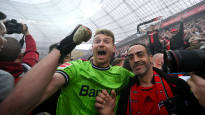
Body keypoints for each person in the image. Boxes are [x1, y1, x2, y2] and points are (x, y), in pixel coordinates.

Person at [0, 25, 134, 115]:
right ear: (92, 47)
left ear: (113, 49)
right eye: (97, 41)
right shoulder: (74, 68)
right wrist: (64, 46)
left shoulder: (123, 75)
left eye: (106, 41)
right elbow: (44, 89)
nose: (101, 44)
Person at [95, 43, 205, 115]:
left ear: (150, 58)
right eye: (131, 57)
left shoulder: (177, 85)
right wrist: (109, 113)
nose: (136, 60)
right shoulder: (125, 93)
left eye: (140, 54)